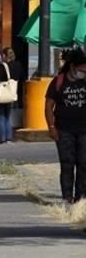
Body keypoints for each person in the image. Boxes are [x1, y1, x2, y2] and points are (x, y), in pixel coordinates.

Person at [45, 48, 86, 204]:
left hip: (84, 130)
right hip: (64, 129)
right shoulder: (58, 82)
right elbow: (48, 106)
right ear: (72, 67)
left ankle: (81, 197)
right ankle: (67, 196)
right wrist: (51, 127)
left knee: (84, 163)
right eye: (82, 70)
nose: (84, 72)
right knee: (67, 163)